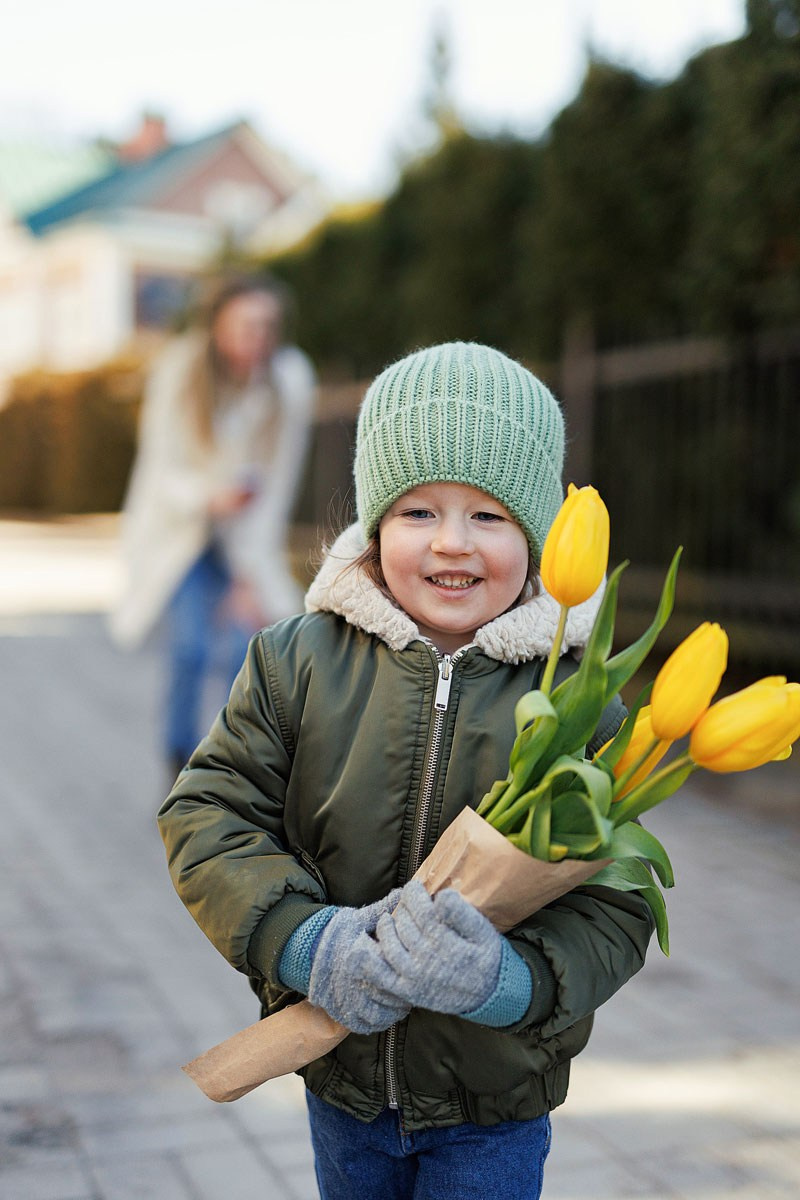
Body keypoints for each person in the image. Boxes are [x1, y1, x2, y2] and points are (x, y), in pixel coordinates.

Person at [157, 342, 654, 1200]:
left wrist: (508, 982)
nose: (451, 545)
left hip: (493, 1099)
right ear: (375, 521)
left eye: (490, 517)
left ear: (537, 534)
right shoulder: (297, 660)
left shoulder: (580, 698)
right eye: (418, 511)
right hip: (342, 1077)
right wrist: (308, 944)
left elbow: (618, 903)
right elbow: (207, 815)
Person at [110, 273, 315, 776]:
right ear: (217, 326)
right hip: (181, 533)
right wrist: (210, 497)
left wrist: (250, 574)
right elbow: (162, 469)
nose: (258, 337)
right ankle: (177, 759)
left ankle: (225, 769)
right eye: (246, 325)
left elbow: (277, 487)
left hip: (244, 539)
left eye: (267, 325)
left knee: (246, 651)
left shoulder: (287, 380)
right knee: (191, 647)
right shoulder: (181, 370)